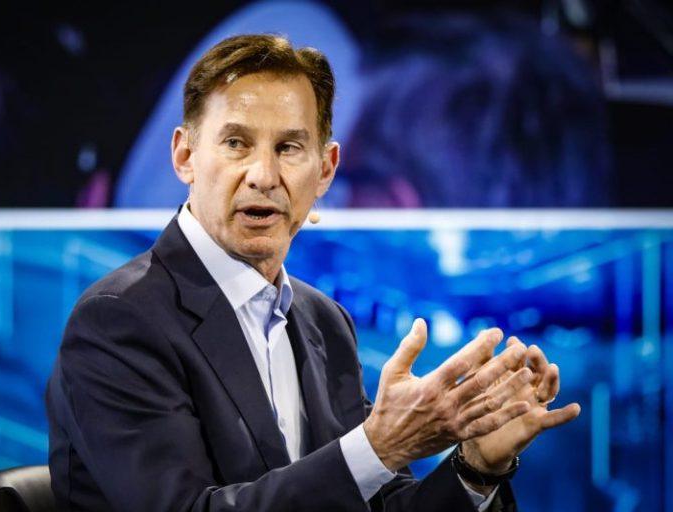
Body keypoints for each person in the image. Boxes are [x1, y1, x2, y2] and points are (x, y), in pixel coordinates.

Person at [46, 34, 581, 511]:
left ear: (324, 170)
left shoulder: (325, 322)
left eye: (289, 148)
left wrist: (476, 467)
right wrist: (377, 446)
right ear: (185, 156)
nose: (263, 175)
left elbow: (377, 503)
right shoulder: (119, 321)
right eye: (236, 143)